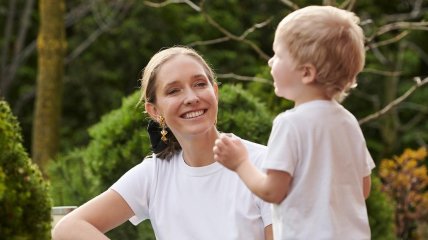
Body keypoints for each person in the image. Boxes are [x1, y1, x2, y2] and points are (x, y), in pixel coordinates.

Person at [52, 46, 273, 240]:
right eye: (174, 90)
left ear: (215, 92)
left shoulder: (264, 164)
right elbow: (68, 228)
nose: (191, 97)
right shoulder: (155, 174)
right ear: (155, 111)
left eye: (199, 84)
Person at [213, 5, 375, 240]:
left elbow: (272, 191)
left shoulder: (290, 124)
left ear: (306, 73)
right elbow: (363, 188)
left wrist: (239, 163)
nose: (270, 62)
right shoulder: (348, 121)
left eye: (278, 55)